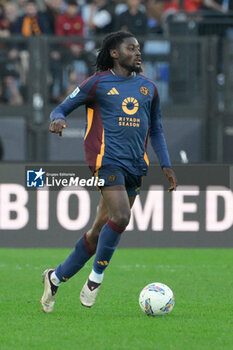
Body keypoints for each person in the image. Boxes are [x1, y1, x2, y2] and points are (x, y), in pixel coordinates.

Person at [41, 31, 177, 313]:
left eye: (139, 48)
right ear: (115, 54)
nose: (138, 52)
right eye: (131, 48)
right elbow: (62, 108)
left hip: (135, 165)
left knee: (97, 232)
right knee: (122, 216)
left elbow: (158, 130)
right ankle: (95, 278)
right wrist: (58, 120)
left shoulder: (148, 88)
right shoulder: (98, 83)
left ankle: (54, 278)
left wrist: (165, 164)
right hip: (105, 161)